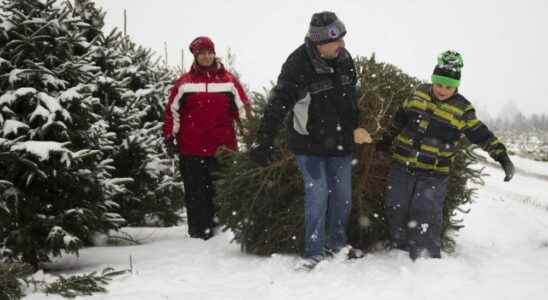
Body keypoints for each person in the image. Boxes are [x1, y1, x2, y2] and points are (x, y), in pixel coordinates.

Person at [249, 11, 372, 268]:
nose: (343, 45)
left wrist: (355, 127)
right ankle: (314, 250)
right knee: (318, 195)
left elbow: (349, 101)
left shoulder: (344, 59)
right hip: (309, 144)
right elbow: (278, 104)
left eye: (343, 38)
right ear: (319, 43)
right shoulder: (297, 65)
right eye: (336, 40)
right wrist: (264, 140)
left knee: (342, 196)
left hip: (340, 143)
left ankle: (337, 244)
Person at [377, 50, 515, 260]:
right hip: (402, 166)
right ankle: (399, 250)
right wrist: (385, 141)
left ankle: (426, 257)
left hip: (434, 173)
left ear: (456, 86)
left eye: (449, 87)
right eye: (439, 84)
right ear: (433, 80)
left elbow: (482, 135)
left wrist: (502, 157)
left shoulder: (462, 110)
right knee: (396, 206)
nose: (442, 90)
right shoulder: (418, 94)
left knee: (425, 213)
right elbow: (399, 119)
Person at [163, 36, 252, 240]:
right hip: (191, 148)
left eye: (209, 52)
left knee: (221, 191)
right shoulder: (184, 83)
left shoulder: (229, 81)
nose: (206, 56)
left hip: (223, 148)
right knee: (195, 194)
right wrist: (170, 136)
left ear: (214, 53)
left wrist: (249, 133)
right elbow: (172, 111)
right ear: (195, 56)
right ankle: (198, 233)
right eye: (202, 53)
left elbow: (243, 109)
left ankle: (222, 233)